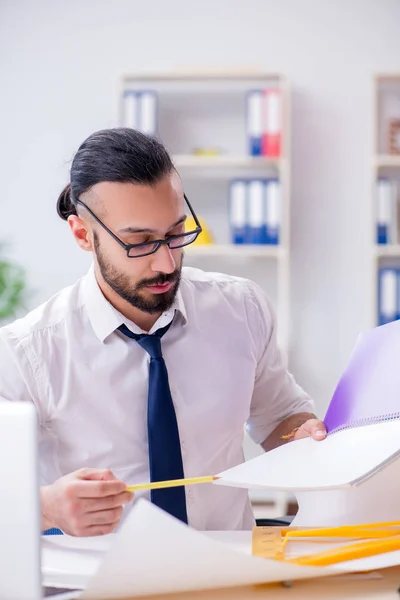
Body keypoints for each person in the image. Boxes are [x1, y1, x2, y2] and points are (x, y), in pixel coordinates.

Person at [0, 128, 326, 536]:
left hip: (227, 573)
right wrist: (46, 509)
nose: (167, 263)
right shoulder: (25, 353)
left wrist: (306, 438)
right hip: (102, 587)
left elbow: (279, 415)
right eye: (140, 242)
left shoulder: (241, 308)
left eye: (176, 233)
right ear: (84, 235)